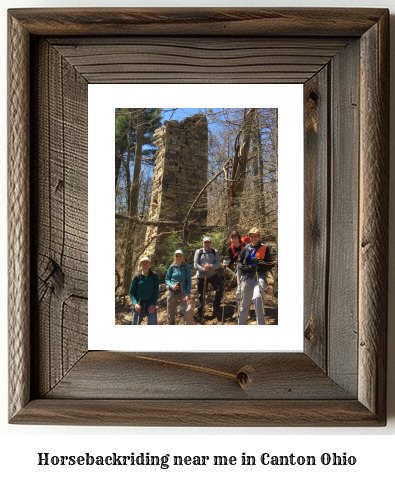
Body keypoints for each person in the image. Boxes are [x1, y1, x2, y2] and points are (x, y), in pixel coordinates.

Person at [237, 227, 274, 325]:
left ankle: (261, 324)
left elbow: (270, 263)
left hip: (259, 275)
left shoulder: (265, 248)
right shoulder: (246, 248)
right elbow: (239, 262)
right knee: (244, 301)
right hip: (248, 276)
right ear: (249, 237)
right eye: (252, 236)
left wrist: (260, 263)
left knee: (258, 297)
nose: (253, 238)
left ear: (259, 237)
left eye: (255, 236)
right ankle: (241, 324)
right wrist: (244, 268)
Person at [194, 236, 223, 322]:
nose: (207, 244)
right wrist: (203, 269)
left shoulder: (214, 251)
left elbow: (218, 263)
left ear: (210, 243)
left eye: (208, 242)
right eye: (205, 242)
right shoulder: (198, 252)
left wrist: (210, 266)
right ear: (203, 243)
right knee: (200, 295)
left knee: (220, 289)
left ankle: (216, 308)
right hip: (201, 277)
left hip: (213, 275)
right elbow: (195, 264)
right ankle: (200, 313)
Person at [222, 231, 250, 313]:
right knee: (239, 289)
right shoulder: (230, 248)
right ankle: (239, 310)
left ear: (239, 238)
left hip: (248, 270)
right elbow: (232, 259)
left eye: (235, 238)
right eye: (232, 238)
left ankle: (247, 310)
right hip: (239, 269)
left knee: (247, 289)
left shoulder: (246, 246)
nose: (234, 240)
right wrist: (227, 263)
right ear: (230, 239)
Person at [165, 250, 193, 325]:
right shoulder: (172, 266)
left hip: (183, 292)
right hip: (172, 291)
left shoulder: (186, 267)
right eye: (177, 255)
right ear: (174, 257)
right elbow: (167, 279)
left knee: (188, 308)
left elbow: (189, 281)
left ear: (183, 257)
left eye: (180, 256)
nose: (178, 257)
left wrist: (187, 294)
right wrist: (171, 285)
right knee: (170, 311)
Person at [129, 256, 159, 325]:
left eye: (146, 263)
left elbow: (156, 290)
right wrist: (135, 303)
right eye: (143, 264)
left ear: (150, 263)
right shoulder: (136, 277)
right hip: (139, 303)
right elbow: (131, 292)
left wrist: (154, 304)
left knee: (153, 322)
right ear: (140, 265)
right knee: (136, 323)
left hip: (150, 302)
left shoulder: (154, 275)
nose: (145, 265)